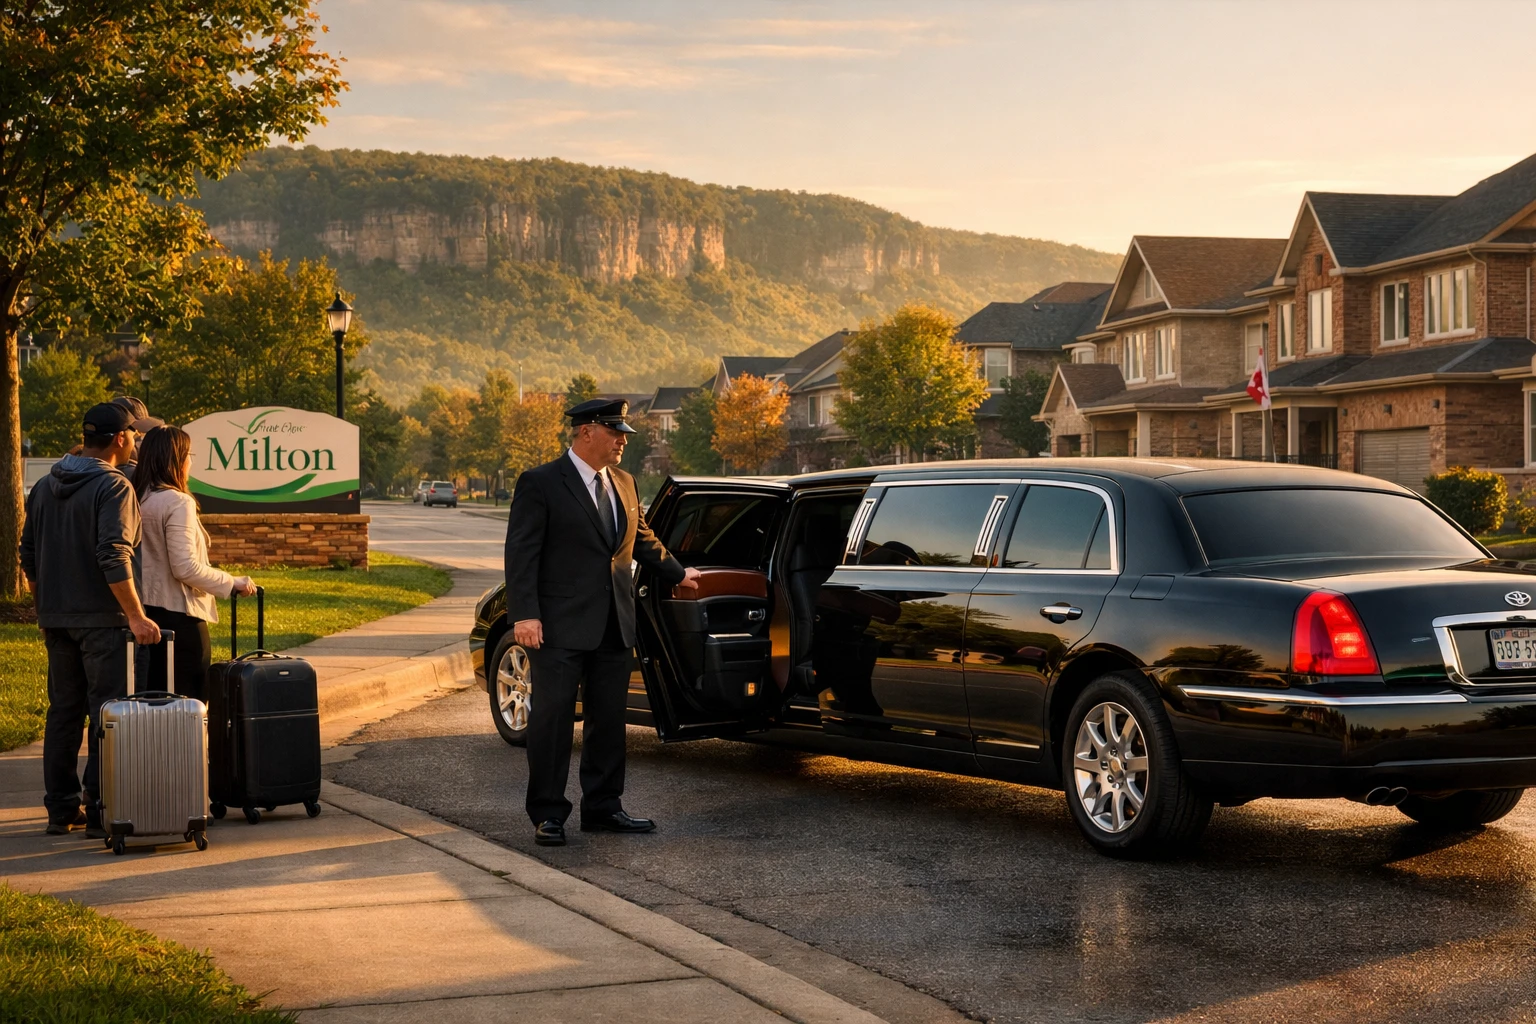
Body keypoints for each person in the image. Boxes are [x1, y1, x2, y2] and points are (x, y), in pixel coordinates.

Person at [503, 398, 701, 847]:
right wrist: (525, 614)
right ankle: (548, 813)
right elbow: (521, 553)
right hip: (557, 626)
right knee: (553, 721)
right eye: (615, 433)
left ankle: (604, 807)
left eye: (624, 435)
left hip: (615, 622)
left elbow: (643, 538)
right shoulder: (541, 483)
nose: (622, 442)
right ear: (586, 432)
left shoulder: (626, 483)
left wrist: (679, 572)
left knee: (608, 721)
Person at [19, 403, 160, 838]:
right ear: (120, 439)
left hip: (57, 618)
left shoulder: (44, 486)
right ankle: (101, 808)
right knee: (109, 714)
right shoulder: (114, 487)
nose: (136, 442)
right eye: (133, 436)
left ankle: (61, 810)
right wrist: (136, 616)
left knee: (63, 713)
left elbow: (28, 555)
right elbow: (113, 553)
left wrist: (47, 609)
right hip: (104, 620)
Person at [135, 426, 256, 702]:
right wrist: (231, 582)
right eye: (188, 454)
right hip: (181, 619)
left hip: (148, 614)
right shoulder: (178, 502)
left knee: (155, 703)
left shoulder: (139, 498)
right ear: (176, 459)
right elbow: (185, 567)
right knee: (188, 706)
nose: (191, 461)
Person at [109, 395, 163, 485]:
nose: (140, 440)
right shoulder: (135, 476)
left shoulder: (86, 467)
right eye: (136, 433)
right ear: (120, 437)